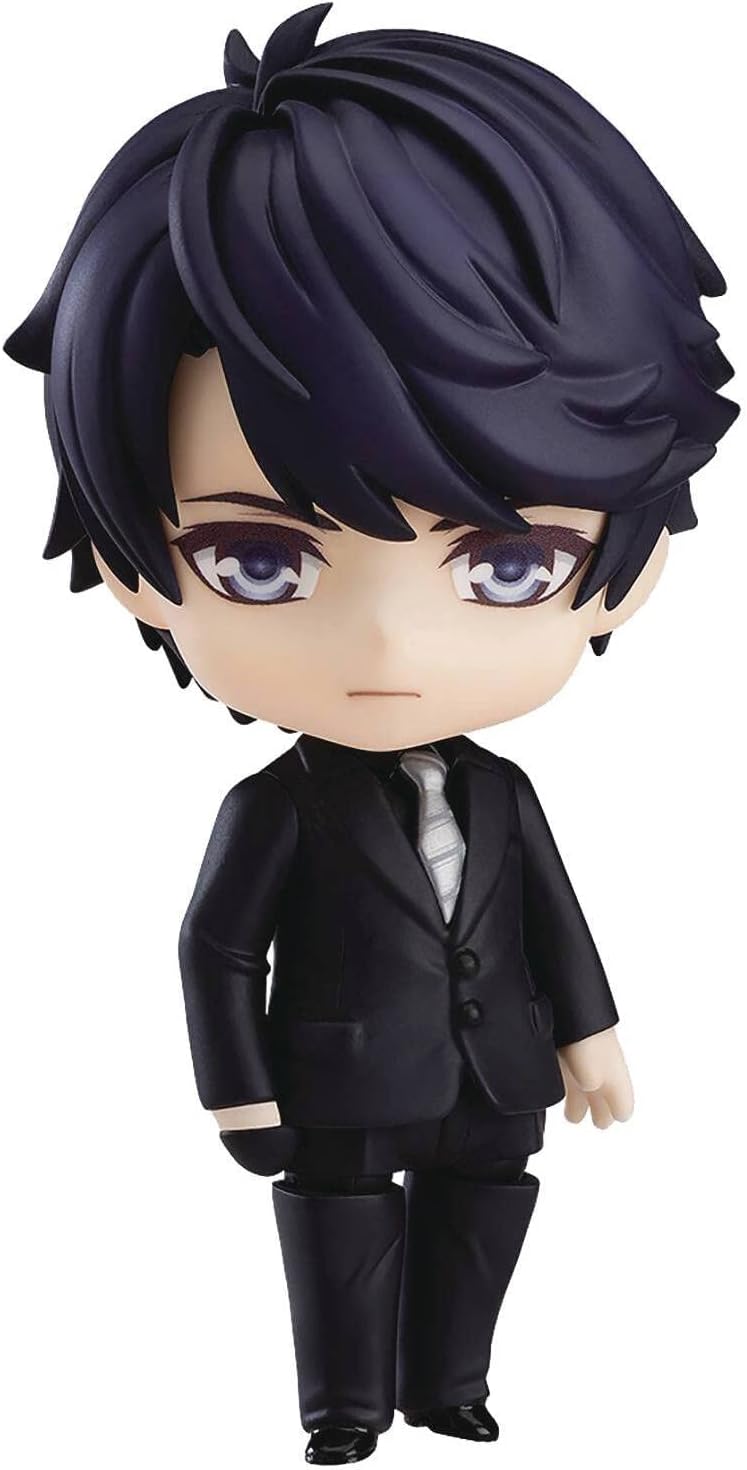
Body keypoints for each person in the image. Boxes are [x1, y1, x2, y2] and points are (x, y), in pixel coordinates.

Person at [5, 6, 738, 1464]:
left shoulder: (506, 789)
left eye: (509, 564)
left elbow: (556, 920)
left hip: (496, 1076)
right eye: (258, 561)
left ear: (632, 564)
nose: (392, 649)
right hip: (334, 1085)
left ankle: (450, 1383)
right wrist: (237, 1093)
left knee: (485, 1219)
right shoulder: (273, 806)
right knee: (338, 1242)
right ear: (135, 568)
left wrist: (590, 1035)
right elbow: (217, 948)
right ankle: (343, 1405)